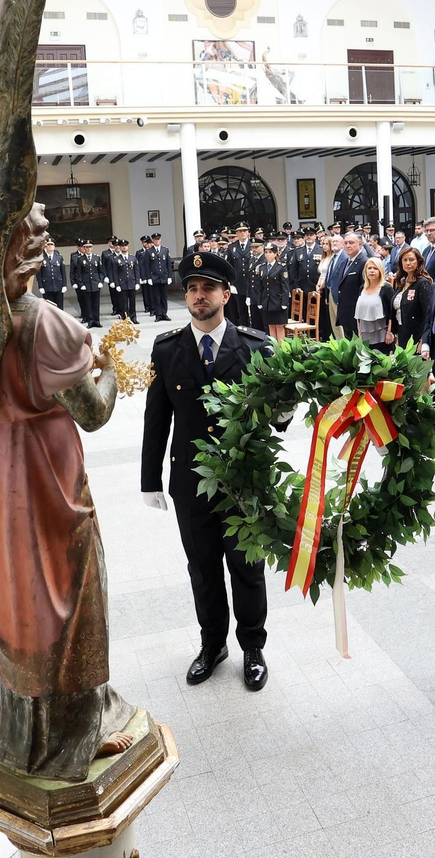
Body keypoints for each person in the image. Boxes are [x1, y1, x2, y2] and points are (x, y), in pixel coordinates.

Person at [142, 251, 275, 691]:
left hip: (243, 483)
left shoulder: (256, 347)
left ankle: (252, 647)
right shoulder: (167, 349)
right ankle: (213, 644)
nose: (199, 296)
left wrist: (285, 407)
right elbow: (156, 419)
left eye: (208, 288)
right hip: (191, 481)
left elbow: (277, 419)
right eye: (193, 289)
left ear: (226, 293)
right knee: (202, 567)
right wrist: (150, 480)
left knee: (246, 567)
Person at [324, 231, 368, 339]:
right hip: (345, 312)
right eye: (346, 243)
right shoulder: (345, 261)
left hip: (357, 313)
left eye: (351, 243)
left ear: (360, 244)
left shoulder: (364, 262)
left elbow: (365, 289)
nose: (348, 246)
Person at [346, 258, 395, 353]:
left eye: (375, 268)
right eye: (369, 268)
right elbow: (359, 314)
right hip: (365, 334)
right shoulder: (362, 288)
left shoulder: (386, 288)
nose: (372, 271)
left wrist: (390, 332)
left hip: (382, 335)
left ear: (380, 271)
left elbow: (391, 313)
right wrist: (359, 332)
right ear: (365, 271)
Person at [392, 245, 433, 352]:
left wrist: (423, 340)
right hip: (401, 333)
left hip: (416, 336)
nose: (408, 263)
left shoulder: (422, 283)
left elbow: (427, 314)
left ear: (418, 262)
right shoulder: (402, 282)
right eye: (405, 260)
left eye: (411, 260)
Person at [258, 243, 291, 340]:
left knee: (279, 326)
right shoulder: (262, 267)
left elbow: (285, 286)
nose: (268, 255)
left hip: (278, 301)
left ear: (275, 254)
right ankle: (274, 350)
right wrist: (260, 301)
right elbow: (260, 287)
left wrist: (285, 302)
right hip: (267, 301)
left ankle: (280, 351)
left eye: (270, 252)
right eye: (266, 252)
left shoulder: (281, 267)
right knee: (271, 326)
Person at [70, 237, 103, 327]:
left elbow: (100, 271)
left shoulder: (97, 257)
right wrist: (81, 284)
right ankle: (90, 321)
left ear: (92, 248)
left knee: (96, 303)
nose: (88, 249)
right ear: (84, 248)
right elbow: (79, 273)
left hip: (95, 284)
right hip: (86, 284)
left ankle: (97, 321)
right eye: (86, 247)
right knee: (88, 304)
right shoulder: (80, 259)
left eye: (90, 247)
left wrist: (100, 281)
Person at [148, 233, 173, 321]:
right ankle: (158, 314)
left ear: (160, 239)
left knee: (164, 296)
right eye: (155, 239)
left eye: (158, 239)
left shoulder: (165, 250)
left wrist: (169, 276)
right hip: (154, 277)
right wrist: (148, 278)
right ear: (152, 240)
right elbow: (147, 266)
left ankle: (164, 313)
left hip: (164, 276)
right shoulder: (149, 251)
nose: (157, 240)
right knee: (156, 297)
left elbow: (168, 264)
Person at [37, 237, 66, 308]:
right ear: (45, 246)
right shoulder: (41, 258)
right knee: (49, 308)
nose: (50, 246)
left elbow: (63, 272)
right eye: (48, 245)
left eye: (51, 244)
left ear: (54, 246)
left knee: (59, 307)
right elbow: (39, 274)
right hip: (47, 286)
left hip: (58, 285)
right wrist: (40, 286)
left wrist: (64, 285)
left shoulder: (59, 257)